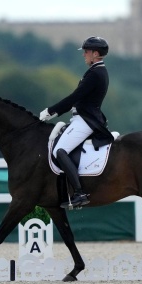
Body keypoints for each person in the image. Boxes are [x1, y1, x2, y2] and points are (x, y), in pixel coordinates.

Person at [39, 36, 114, 208]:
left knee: (60, 150)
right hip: (82, 117)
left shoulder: (95, 73)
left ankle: (80, 193)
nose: (84, 55)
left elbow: (75, 97)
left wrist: (51, 111)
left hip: (86, 120)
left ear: (95, 54)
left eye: (86, 52)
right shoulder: (96, 71)